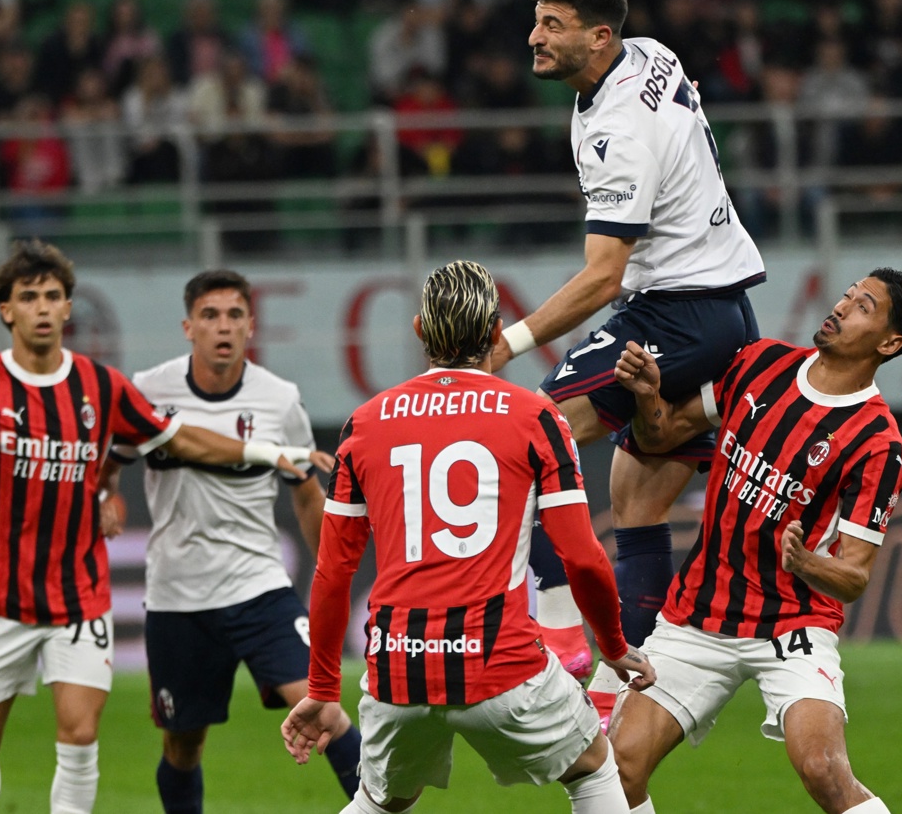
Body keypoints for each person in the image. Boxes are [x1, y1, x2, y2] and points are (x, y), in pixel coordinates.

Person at [0, 240, 331, 814]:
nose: (43, 307)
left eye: (53, 296)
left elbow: (182, 439)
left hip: (79, 600)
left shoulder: (102, 387)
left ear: (68, 307)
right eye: (29, 297)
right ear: (7, 310)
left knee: (79, 735)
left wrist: (266, 451)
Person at [281, 260, 655, 814]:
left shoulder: (364, 423)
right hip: (499, 663)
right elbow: (581, 557)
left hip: (398, 668)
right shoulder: (536, 417)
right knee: (593, 768)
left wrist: (321, 688)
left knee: (381, 803)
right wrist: (615, 648)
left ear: (419, 329)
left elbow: (333, 572)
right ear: (497, 331)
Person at [490, 0, 766, 709]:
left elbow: (603, 276)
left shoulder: (619, 134)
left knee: (530, 442)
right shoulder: (652, 54)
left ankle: (560, 632)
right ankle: (621, 694)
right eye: (537, 21)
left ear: (598, 36)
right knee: (636, 502)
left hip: (676, 315)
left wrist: (507, 342)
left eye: (552, 24)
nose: (533, 37)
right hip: (725, 312)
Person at [607, 267, 902, 814]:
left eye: (863, 306)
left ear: (889, 342)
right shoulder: (760, 363)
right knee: (619, 767)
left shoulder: (879, 443)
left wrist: (806, 562)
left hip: (792, 623)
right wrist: (648, 396)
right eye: (847, 295)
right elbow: (662, 434)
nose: (840, 306)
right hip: (697, 615)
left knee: (823, 770)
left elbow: (855, 577)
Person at [99, 268, 363, 814]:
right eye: (210, 315)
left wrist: (330, 576)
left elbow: (305, 495)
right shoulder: (149, 390)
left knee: (326, 712)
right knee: (183, 746)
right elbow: (110, 460)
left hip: (259, 590)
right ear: (188, 327)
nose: (223, 326)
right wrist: (106, 494)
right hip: (177, 597)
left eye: (235, 315)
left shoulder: (279, 399)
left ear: (250, 325)